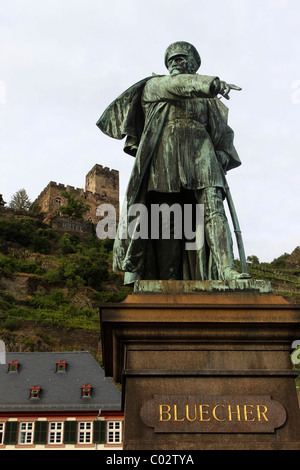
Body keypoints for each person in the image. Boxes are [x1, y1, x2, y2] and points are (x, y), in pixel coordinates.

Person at [97, 41, 250, 284]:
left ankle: (227, 269)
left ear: (193, 64)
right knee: (167, 219)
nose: (175, 63)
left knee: (214, 209)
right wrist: (212, 83)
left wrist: (221, 154)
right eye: (172, 60)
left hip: (202, 153)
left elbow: (223, 134)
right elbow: (178, 85)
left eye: (181, 59)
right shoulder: (155, 86)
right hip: (164, 157)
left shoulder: (209, 101)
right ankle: (168, 282)